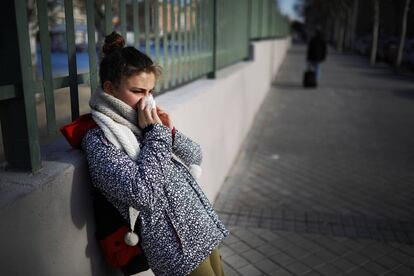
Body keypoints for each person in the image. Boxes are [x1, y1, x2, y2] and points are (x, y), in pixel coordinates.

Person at [81, 32, 229, 276]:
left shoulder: (145, 123)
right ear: (110, 88)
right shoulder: (100, 139)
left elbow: (195, 155)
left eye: (150, 91)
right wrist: (155, 134)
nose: (146, 100)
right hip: (176, 246)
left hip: (199, 224)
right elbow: (143, 194)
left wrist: (169, 131)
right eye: (138, 91)